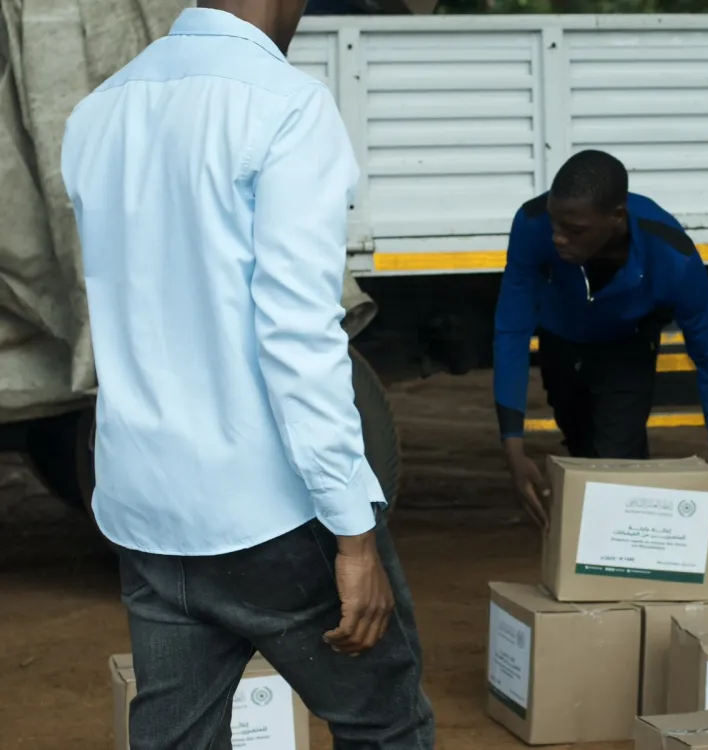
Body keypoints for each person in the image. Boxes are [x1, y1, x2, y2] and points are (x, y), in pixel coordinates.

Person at [60, 3, 434, 748]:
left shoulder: (99, 112)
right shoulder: (285, 106)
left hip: (148, 514)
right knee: (386, 725)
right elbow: (297, 335)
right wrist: (354, 537)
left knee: (175, 739)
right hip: (271, 514)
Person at [493, 150, 708, 526]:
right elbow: (511, 329)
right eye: (555, 223)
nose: (558, 237)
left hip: (627, 344)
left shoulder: (671, 255)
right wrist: (512, 445)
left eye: (574, 230)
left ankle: (618, 567)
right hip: (561, 343)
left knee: (611, 468)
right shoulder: (531, 223)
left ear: (616, 217)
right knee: (580, 455)